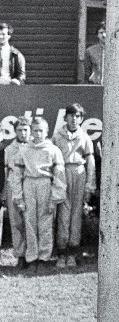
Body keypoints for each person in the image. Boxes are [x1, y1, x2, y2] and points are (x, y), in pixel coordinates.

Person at [11, 117, 66, 274]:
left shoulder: (53, 150)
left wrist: (55, 198)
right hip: (29, 183)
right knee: (29, 222)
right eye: (35, 130)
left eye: (41, 130)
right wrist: (19, 197)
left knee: (46, 223)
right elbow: (16, 175)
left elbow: (59, 176)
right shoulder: (24, 150)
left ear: (47, 131)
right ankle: (32, 258)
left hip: (45, 184)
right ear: (31, 131)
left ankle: (43, 258)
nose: (38, 134)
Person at [52, 103, 96, 268]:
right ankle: (61, 253)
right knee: (63, 214)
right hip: (62, 173)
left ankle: (72, 252)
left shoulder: (84, 138)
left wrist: (90, 186)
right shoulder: (57, 136)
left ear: (81, 119)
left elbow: (90, 162)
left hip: (78, 173)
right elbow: (51, 159)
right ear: (66, 118)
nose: (74, 119)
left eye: (78, 116)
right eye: (71, 115)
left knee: (76, 214)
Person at [2, 117, 32, 268]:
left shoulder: (37, 147)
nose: (23, 133)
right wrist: (3, 193)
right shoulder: (9, 149)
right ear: (15, 132)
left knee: (31, 222)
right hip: (13, 187)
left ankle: (33, 255)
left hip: (31, 186)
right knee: (17, 222)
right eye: (19, 130)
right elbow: (6, 171)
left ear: (30, 130)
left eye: (25, 130)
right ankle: (20, 255)